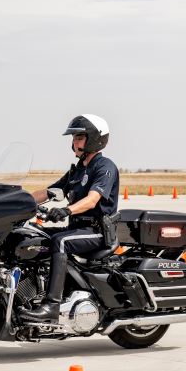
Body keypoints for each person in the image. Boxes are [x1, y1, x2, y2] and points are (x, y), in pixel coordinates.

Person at [19, 114, 120, 322]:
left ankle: (52, 306)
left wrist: (67, 210)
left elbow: (92, 200)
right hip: (77, 229)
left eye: (80, 137)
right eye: (74, 138)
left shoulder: (104, 167)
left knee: (60, 242)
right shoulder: (77, 171)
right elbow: (48, 192)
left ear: (94, 139)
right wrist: (15, 201)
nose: (75, 142)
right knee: (31, 236)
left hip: (96, 232)